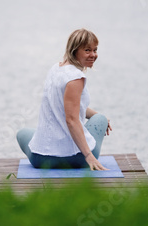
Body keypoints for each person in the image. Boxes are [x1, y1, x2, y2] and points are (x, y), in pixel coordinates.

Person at [16, 28, 112, 171]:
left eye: (95, 50)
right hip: (77, 158)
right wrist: (89, 156)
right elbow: (71, 119)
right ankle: (84, 149)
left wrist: (92, 114)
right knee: (101, 119)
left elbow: (69, 107)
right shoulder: (75, 78)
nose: (93, 55)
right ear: (74, 51)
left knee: (22, 133)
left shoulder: (55, 69)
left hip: (41, 159)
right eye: (87, 50)